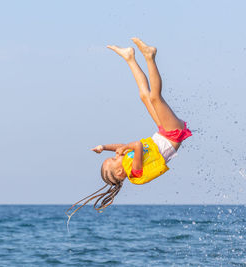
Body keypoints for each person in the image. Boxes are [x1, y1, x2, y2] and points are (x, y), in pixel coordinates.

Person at [66, 38, 192, 217]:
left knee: (144, 96)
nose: (115, 154)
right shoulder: (136, 172)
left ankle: (129, 57)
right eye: (112, 159)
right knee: (155, 97)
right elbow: (137, 146)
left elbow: (122, 147)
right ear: (119, 171)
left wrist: (104, 147)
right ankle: (150, 56)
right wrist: (125, 147)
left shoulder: (126, 160)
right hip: (173, 135)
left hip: (162, 132)